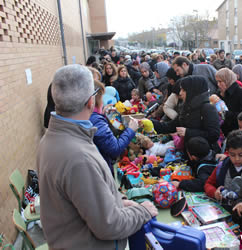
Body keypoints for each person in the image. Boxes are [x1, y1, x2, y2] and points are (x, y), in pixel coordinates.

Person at [37, 65, 157, 249]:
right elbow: (109, 225)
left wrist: (118, 202)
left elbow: (78, 200)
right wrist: (143, 211)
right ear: (90, 102)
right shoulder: (78, 157)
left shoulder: (52, 139)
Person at [152, 76, 220, 152]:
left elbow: (213, 135)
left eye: (183, 90)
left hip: (205, 155)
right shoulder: (186, 108)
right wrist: (149, 122)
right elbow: (170, 126)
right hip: (189, 153)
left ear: (192, 91)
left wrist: (188, 132)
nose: (180, 93)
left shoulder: (208, 108)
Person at [204, 130, 242, 202]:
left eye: (241, 155)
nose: (237, 159)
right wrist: (214, 192)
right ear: (227, 152)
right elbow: (208, 184)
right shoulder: (221, 167)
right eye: (232, 155)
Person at [216, 68, 242, 136]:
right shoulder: (219, 93)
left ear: (227, 80)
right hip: (221, 131)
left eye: (220, 81)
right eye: (217, 82)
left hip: (236, 132)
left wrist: (225, 114)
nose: (218, 84)